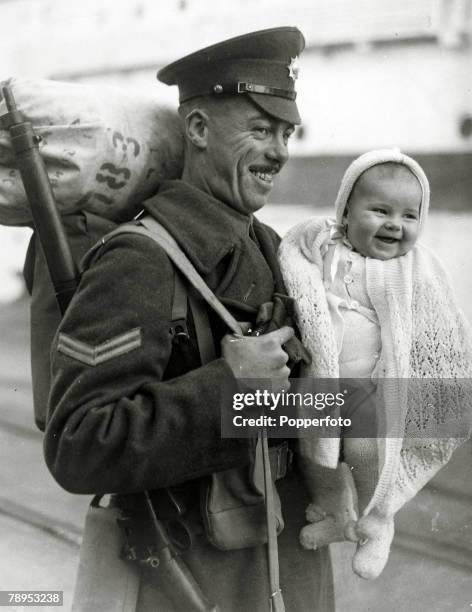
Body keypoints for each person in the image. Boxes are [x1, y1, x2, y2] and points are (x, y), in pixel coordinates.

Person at [43, 27, 334, 611]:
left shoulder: (274, 248)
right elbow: (77, 444)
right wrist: (231, 392)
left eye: (285, 133)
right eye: (259, 129)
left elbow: (298, 403)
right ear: (198, 130)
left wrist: (381, 402)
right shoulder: (140, 260)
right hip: (199, 578)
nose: (278, 150)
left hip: (289, 557)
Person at [279, 149, 472, 580]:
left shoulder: (416, 269)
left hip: (372, 387)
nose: (394, 224)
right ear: (345, 213)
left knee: (365, 452)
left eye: (409, 216)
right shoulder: (327, 249)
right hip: (323, 382)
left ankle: (378, 519)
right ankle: (337, 513)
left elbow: (439, 328)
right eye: (380, 210)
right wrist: (310, 235)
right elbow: (295, 249)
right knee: (315, 455)